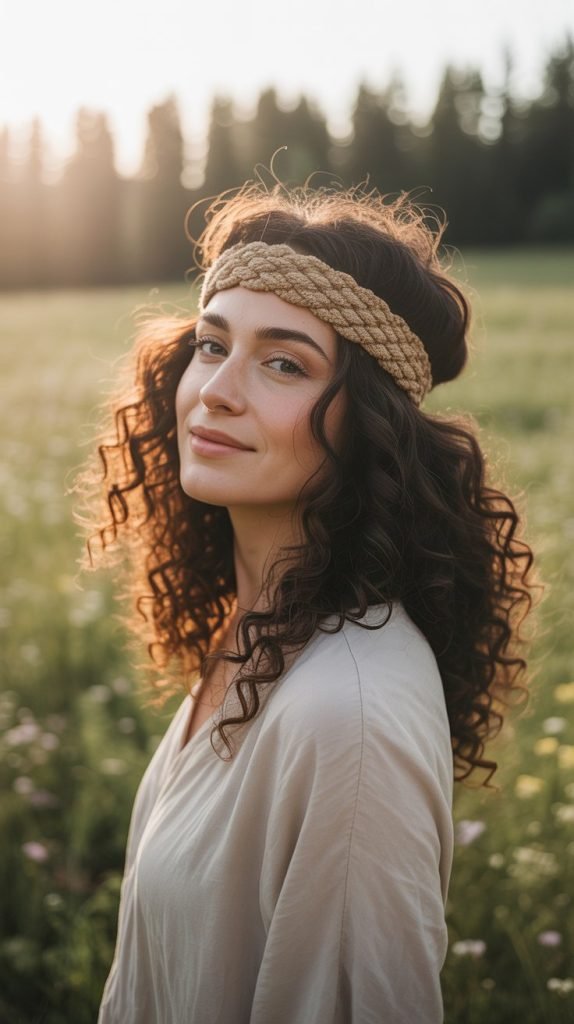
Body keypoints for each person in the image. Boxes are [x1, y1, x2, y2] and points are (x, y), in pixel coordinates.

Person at [79, 183, 536, 1023]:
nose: (215, 389)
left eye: (284, 362)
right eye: (212, 345)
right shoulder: (259, 633)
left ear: (367, 423)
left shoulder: (348, 714)